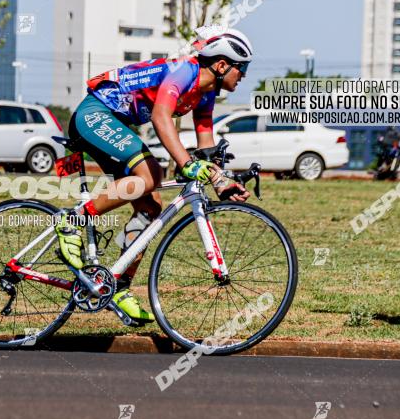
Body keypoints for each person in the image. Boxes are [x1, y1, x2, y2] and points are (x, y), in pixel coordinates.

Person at [56, 29, 254, 323]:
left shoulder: (206, 94)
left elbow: (206, 145)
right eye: (243, 68)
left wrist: (222, 181)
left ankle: (118, 285)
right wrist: (185, 163)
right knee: (152, 173)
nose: (244, 76)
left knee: (150, 209)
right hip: (94, 114)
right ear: (222, 65)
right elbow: (162, 117)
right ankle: (70, 222)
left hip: (116, 122)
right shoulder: (184, 71)